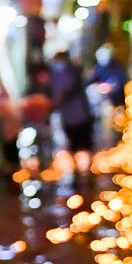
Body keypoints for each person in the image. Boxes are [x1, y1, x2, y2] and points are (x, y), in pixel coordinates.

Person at [49, 49, 95, 178]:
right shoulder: (55, 75)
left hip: (81, 115)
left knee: (85, 145)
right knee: (74, 145)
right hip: (68, 117)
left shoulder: (74, 72)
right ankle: (79, 172)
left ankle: (86, 172)